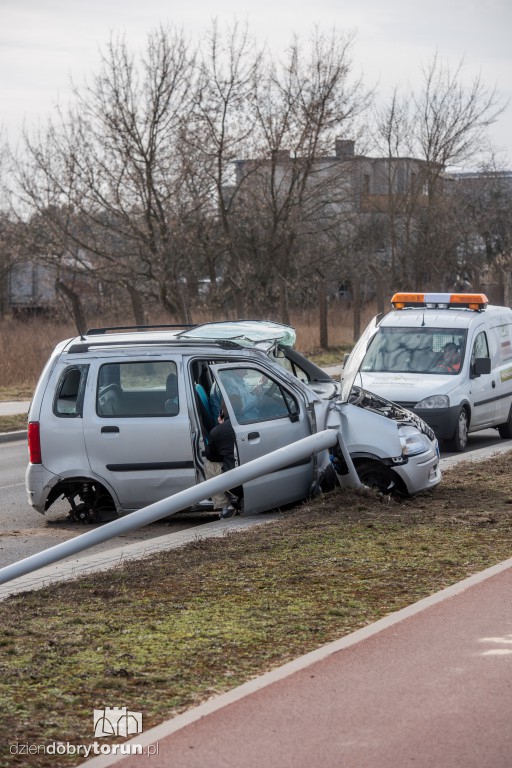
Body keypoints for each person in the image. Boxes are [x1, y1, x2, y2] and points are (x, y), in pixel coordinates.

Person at [204, 398, 243, 519]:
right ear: (241, 408)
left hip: (235, 484)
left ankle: (226, 507)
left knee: (209, 465)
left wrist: (220, 426)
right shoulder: (251, 423)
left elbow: (211, 456)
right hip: (255, 478)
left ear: (222, 411)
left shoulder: (217, 432)